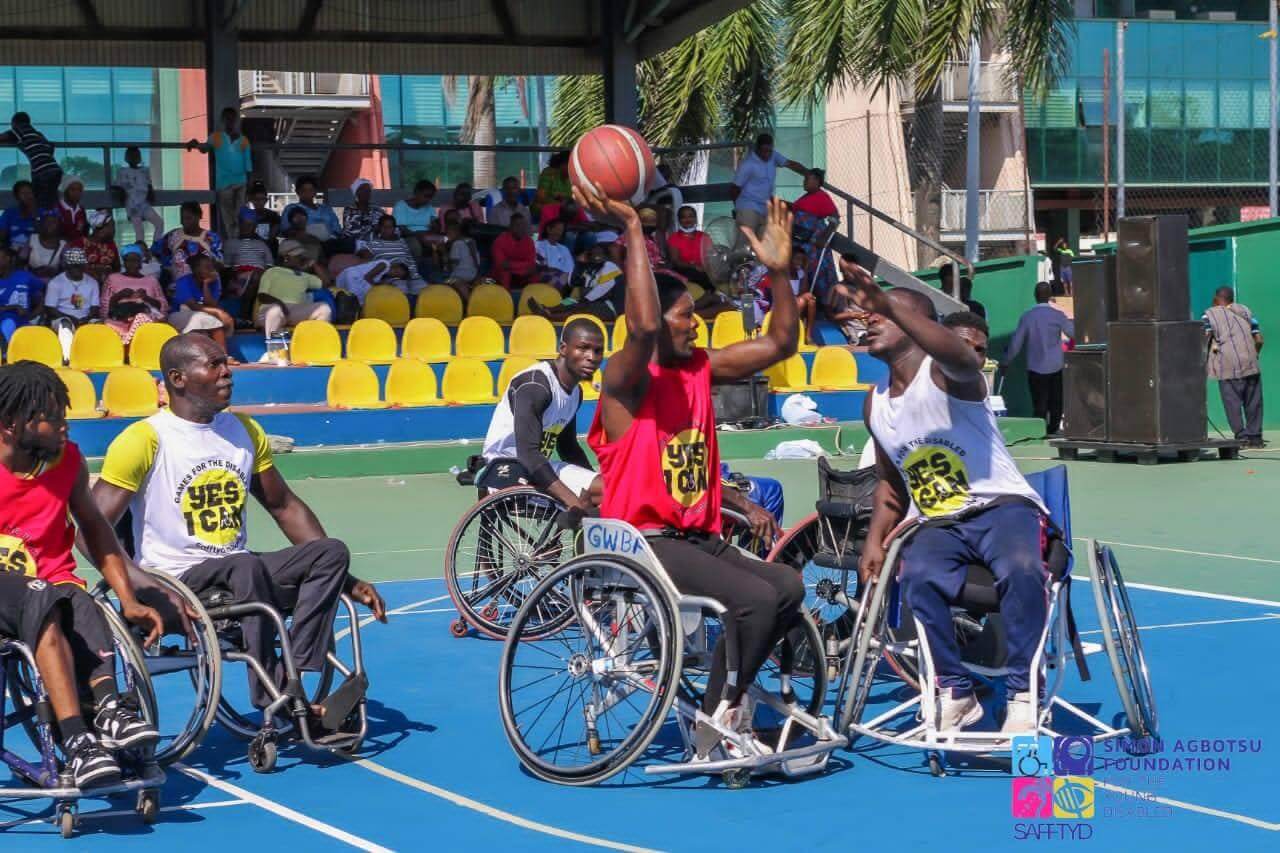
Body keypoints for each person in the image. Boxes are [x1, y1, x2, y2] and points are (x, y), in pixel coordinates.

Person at [585, 187, 801, 748]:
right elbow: (639, 330)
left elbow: (781, 342)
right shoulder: (626, 383)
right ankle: (724, 712)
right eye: (686, 316)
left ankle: (720, 704)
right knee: (753, 599)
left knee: (786, 585)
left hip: (697, 537)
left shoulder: (700, 368)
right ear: (660, 320)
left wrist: (780, 272)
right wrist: (634, 229)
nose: (697, 324)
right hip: (644, 541)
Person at [92, 334, 387, 709]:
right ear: (178, 378)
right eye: (213, 365)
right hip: (178, 578)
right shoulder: (144, 439)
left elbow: (284, 506)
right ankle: (274, 696)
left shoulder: (244, 431)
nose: (226, 372)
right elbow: (91, 529)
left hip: (240, 573)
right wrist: (139, 583)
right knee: (243, 565)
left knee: (330, 553)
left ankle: (294, 673)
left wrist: (347, 579)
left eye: (226, 363)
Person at [845, 260, 1054, 734]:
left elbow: (963, 358)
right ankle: (956, 691)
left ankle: (1023, 692)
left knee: (1021, 568)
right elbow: (891, 483)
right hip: (938, 522)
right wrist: (874, 540)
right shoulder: (875, 402)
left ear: (916, 326)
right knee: (917, 575)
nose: (870, 321)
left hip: (1000, 507)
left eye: (883, 316)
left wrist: (889, 304)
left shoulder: (946, 376)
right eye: (871, 315)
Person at [0, 361, 162, 787]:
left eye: (63, 414)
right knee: (42, 593)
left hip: (49, 590)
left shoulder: (67, 460)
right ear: (12, 424)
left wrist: (128, 597)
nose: (64, 425)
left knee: (77, 596)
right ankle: (77, 741)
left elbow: (95, 527)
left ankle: (109, 709)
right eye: (51, 418)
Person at [481, 318, 605, 509]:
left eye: (598, 351)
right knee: (605, 491)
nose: (592, 357)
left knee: (608, 490)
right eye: (583, 348)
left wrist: (593, 480)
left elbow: (568, 448)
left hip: (535, 468)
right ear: (563, 348)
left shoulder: (575, 393)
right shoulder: (536, 385)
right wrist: (573, 502)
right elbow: (528, 453)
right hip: (506, 471)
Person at [1002, 282, 1074, 436]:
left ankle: (1039, 431)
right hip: (1056, 365)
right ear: (1050, 296)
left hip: (1035, 367)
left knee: (1039, 402)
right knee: (1056, 401)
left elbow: (1016, 344)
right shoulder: (1057, 316)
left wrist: (1006, 362)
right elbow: (1073, 333)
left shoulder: (1027, 317)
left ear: (1035, 296)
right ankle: (1054, 429)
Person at [1204, 286, 1264, 448]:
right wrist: (1254, 355)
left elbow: (1205, 336)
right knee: (1254, 402)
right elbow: (1259, 339)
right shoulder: (1246, 311)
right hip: (1251, 364)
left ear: (1216, 299)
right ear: (1232, 298)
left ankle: (1242, 438)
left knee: (1232, 403)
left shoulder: (1209, 314)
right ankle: (1256, 439)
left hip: (1227, 366)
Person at [731, 133, 807, 251]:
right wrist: (738, 209)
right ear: (757, 149)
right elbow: (735, 188)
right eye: (764, 151)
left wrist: (808, 173)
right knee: (744, 245)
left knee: (763, 248)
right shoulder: (748, 164)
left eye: (769, 151)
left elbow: (790, 164)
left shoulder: (774, 156)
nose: (767, 154)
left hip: (765, 208)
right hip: (748, 207)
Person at [187, 107, 253, 236]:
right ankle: (232, 241)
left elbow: (248, 164)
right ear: (223, 120)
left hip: (241, 183)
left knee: (239, 216)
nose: (230, 121)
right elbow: (204, 149)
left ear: (236, 121)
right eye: (227, 119)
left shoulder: (244, 140)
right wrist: (195, 143)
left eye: (232, 119)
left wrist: (249, 184)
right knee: (228, 218)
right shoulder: (216, 137)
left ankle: (238, 240)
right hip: (224, 184)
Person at [530, 234, 625, 322]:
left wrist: (579, 302)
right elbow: (573, 283)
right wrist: (580, 264)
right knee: (571, 301)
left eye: (600, 252)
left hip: (613, 309)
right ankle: (547, 310)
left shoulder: (610, 267)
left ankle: (550, 316)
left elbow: (593, 296)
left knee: (584, 308)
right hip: (597, 302)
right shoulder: (591, 269)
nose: (596, 255)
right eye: (592, 252)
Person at [254, 242, 334, 337]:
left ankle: (313, 342)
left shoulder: (304, 276)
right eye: (298, 256)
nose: (301, 258)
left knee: (324, 308)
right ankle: (274, 345)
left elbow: (327, 282)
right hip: (271, 309)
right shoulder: (272, 272)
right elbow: (262, 296)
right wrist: (280, 304)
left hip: (295, 310)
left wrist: (314, 264)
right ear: (286, 258)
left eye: (301, 256)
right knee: (275, 311)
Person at [169, 252, 235, 357]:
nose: (211, 270)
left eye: (212, 267)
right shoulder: (184, 282)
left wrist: (206, 284)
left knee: (212, 322)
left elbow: (212, 304)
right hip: (179, 314)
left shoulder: (214, 281)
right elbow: (193, 306)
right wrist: (218, 312)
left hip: (204, 314)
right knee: (203, 319)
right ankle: (217, 357)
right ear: (196, 269)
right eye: (207, 267)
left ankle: (222, 357)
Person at [102, 244, 167, 346]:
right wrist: (119, 295)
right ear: (124, 262)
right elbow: (105, 306)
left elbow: (162, 306)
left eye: (135, 260)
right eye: (128, 260)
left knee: (143, 319)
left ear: (140, 262)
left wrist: (146, 297)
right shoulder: (113, 278)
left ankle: (133, 341)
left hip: (146, 321)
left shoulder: (151, 281)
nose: (132, 263)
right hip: (120, 319)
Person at [43, 247, 99, 361]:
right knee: (65, 324)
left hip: (86, 318)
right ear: (66, 266)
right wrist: (71, 318)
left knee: (99, 324)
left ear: (84, 266)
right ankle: (67, 358)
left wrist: (87, 318)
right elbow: (49, 309)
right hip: (61, 317)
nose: (76, 268)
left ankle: (96, 357)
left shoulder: (92, 282)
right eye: (73, 265)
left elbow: (95, 306)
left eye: (79, 265)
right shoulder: (56, 282)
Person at [0, 112, 63, 210]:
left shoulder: (17, 131)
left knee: (39, 200)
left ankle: (42, 217)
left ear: (14, 123)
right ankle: (53, 215)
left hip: (42, 171)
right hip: (55, 169)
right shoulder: (38, 134)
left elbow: (2, 137)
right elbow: (50, 147)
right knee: (51, 198)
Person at [159, 201, 224, 280]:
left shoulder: (212, 238)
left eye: (188, 218)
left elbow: (220, 265)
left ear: (199, 216)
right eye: (182, 218)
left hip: (207, 284)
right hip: (179, 284)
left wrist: (212, 264)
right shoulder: (172, 236)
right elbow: (161, 261)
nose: (184, 222)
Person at [115, 146, 165, 246]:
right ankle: (141, 252)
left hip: (144, 204)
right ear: (126, 157)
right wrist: (121, 194)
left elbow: (149, 185)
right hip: (132, 205)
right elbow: (116, 186)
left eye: (136, 155)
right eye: (131, 155)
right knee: (140, 232)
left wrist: (151, 194)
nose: (134, 157)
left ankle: (155, 247)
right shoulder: (122, 171)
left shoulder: (145, 170)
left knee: (159, 223)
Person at [365, 214, 425, 294]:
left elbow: (409, 259)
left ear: (394, 228)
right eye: (383, 227)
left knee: (424, 292)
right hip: (392, 277)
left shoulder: (402, 242)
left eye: (390, 227)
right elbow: (370, 264)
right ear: (379, 227)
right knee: (401, 291)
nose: (386, 229)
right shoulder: (373, 244)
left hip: (412, 276)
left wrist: (414, 275)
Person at [222, 209, 274, 299]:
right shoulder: (230, 243)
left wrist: (259, 273)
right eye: (244, 224)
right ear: (239, 224)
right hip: (239, 275)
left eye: (250, 225)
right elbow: (226, 267)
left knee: (257, 277)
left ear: (255, 226)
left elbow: (270, 265)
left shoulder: (262, 244)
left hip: (259, 274)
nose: (247, 227)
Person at [281, 175, 343, 249]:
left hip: (330, 243)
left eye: (311, 190)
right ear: (297, 192)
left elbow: (337, 229)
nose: (307, 193)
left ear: (315, 192)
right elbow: (285, 230)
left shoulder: (326, 208)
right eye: (304, 190)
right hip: (305, 244)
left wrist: (332, 238)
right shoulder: (291, 208)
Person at [0, 245, 42, 342]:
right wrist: (13, 307)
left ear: (7, 258)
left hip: (24, 322)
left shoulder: (25, 277)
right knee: (9, 322)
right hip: (4, 320)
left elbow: (40, 298)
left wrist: (33, 316)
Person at [666, 206, 714, 288]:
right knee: (698, 276)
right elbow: (675, 261)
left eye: (691, 216)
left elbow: (711, 256)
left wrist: (707, 268)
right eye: (683, 217)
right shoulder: (674, 238)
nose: (687, 219)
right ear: (679, 220)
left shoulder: (704, 236)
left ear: (695, 219)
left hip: (704, 270)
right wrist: (694, 266)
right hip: (684, 270)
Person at [490, 213, 539, 290]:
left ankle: (533, 296)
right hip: (501, 275)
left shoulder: (529, 241)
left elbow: (531, 263)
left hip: (522, 273)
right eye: (517, 225)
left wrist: (511, 265)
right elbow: (501, 264)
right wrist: (522, 266)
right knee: (505, 273)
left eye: (523, 226)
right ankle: (506, 296)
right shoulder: (500, 240)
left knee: (534, 273)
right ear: (510, 227)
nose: (521, 228)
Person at [392, 179, 437, 259]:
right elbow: (401, 229)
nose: (428, 199)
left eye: (430, 197)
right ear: (416, 193)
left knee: (445, 240)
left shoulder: (429, 207)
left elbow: (434, 224)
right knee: (415, 245)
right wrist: (418, 235)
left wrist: (431, 231)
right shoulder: (401, 206)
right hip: (408, 236)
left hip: (426, 235)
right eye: (426, 196)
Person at [0, 179, 40, 258]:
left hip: (35, 253)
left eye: (30, 193)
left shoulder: (41, 212)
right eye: (23, 193)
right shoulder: (9, 213)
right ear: (17, 197)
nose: (28, 196)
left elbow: (43, 235)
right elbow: (2, 235)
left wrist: (35, 215)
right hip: (11, 252)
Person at [443, 214, 479, 301]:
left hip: (459, 276)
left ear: (457, 232)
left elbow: (453, 264)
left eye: (448, 233)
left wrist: (444, 253)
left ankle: (470, 302)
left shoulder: (457, 244)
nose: (447, 235)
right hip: (473, 275)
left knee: (442, 280)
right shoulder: (471, 242)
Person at [82, 209, 121, 283]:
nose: (114, 230)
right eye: (111, 227)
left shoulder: (111, 243)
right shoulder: (79, 244)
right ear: (99, 229)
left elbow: (117, 267)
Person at [535, 219, 575, 291]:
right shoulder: (538, 245)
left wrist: (562, 274)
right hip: (544, 276)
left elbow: (570, 268)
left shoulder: (564, 249)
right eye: (557, 229)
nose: (559, 232)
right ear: (548, 229)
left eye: (561, 230)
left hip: (563, 280)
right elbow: (540, 265)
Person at [27, 211, 66, 282]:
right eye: (47, 221)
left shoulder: (63, 245)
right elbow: (20, 262)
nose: (49, 224)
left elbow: (66, 270)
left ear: (59, 226)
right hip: (31, 282)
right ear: (42, 224)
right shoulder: (32, 239)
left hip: (53, 284)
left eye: (53, 222)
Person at [533, 151, 571, 220]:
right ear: (563, 164)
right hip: (545, 209)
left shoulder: (572, 177)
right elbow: (540, 198)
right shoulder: (548, 173)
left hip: (565, 210)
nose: (573, 168)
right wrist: (560, 204)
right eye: (571, 165)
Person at [342, 178, 381, 244]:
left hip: (375, 244)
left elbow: (382, 227)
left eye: (368, 190)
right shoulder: (349, 210)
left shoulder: (377, 209)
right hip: (353, 244)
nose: (366, 193)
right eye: (363, 190)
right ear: (356, 193)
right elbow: (353, 232)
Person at [57, 176, 88, 242]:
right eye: (73, 190)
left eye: (79, 190)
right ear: (65, 191)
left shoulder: (81, 210)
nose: (76, 193)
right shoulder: (56, 208)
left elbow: (84, 232)